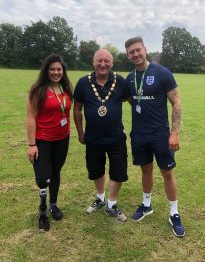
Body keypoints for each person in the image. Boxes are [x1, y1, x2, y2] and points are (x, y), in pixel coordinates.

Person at [125, 36, 185, 237]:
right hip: (139, 135)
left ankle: (174, 213)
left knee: (167, 173)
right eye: (131, 52)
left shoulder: (162, 73)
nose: (135, 54)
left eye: (138, 50)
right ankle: (146, 204)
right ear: (128, 55)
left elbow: (176, 102)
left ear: (145, 49)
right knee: (145, 170)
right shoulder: (129, 78)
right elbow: (133, 102)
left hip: (161, 134)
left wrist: (174, 133)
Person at [73, 49, 129, 223]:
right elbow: (77, 109)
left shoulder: (120, 81)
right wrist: (81, 133)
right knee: (95, 170)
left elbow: (133, 102)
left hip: (116, 137)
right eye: (99, 61)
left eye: (107, 61)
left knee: (118, 171)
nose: (103, 64)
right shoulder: (83, 82)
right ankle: (100, 197)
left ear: (112, 63)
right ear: (93, 62)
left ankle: (111, 205)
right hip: (93, 138)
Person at [27, 54, 73, 232]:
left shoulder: (66, 87)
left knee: (56, 173)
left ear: (63, 71)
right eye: (52, 69)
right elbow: (31, 117)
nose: (56, 72)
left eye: (59, 69)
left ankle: (53, 204)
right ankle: (43, 210)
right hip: (43, 141)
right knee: (43, 178)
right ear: (46, 70)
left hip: (62, 139)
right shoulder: (38, 89)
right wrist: (32, 145)